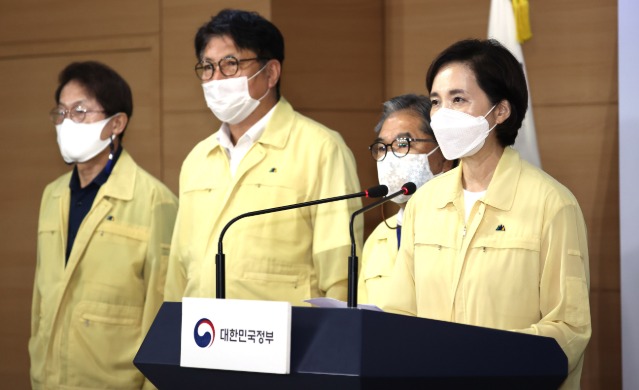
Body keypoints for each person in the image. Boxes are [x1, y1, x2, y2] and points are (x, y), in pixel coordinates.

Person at [381, 39, 591, 389]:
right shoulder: (424, 202)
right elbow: (400, 312)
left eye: (458, 99)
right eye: (435, 101)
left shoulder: (552, 204)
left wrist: (484, 360)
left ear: (501, 111)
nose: (442, 114)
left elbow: (569, 327)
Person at [164, 9, 363, 305]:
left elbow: (339, 274)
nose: (215, 79)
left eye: (230, 64)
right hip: (203, 337)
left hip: (285, 341)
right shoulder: (198, 158)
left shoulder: (321, 148)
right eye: (207, 67)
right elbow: (179, 272)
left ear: (270, 72)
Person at [29, 61, 178, 389]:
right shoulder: (52, 195)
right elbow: (42, 300)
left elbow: (164, 312)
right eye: (62, 112)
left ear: (117, 123)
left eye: (80, 111)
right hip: (49, 379)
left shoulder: (156, 201)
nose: (68, 122)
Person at [358, 94, 455, 305]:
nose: (390, 157)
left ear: (445, 156)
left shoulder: (462, 227)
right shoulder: (377, 239)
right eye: (382, 147)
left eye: (403, 143)